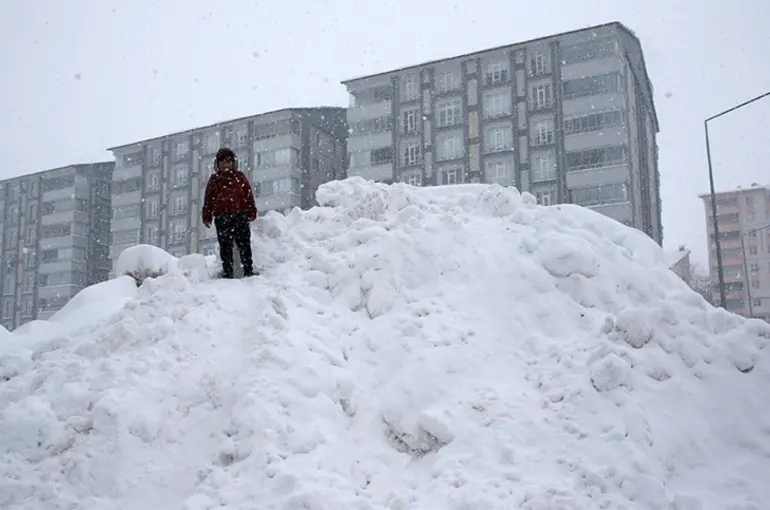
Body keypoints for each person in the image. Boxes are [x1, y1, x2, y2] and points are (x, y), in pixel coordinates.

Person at [202, 147, 258, 278]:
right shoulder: (214, 180)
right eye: (222, 162)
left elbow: (248, 195)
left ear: (233, 163)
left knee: (244, 244)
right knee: (225, 246)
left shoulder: (239, 177)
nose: (226, 165)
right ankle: (227, 272)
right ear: (218, 164)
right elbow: (208, 199)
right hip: (222, 218)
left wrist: (251, 210)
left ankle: (248, 270)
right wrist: (207, 215)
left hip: (240, 216)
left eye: (229, 161)